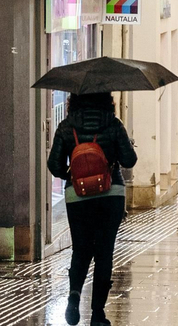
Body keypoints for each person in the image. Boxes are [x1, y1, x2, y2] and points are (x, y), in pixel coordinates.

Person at [47, 92, 138, 326]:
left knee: (81, 248)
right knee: (104, 252)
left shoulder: (66, 127)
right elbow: (129, 161)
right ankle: (98, 313)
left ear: (74, 100)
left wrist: (72, 175)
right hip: (111, 194)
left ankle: (74, 296)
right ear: (106, 100)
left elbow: (53, 164)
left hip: (77, 196)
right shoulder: (114, 124)